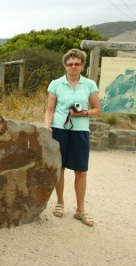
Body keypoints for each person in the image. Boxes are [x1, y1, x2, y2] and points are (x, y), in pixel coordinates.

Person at [44, 48, 100, 227]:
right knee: (59, 168)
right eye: (70, 64)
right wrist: (47, 126)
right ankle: (59, 203)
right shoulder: (56, 84)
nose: (73, 66)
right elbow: (50, 109)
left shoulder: (90, 84)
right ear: (65, 65)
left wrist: (83, 113)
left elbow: (97, 110)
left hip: (81, 131)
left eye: (77, 63)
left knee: (81, 171)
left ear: (82, 65)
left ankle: (80, 210)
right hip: (60, 129)